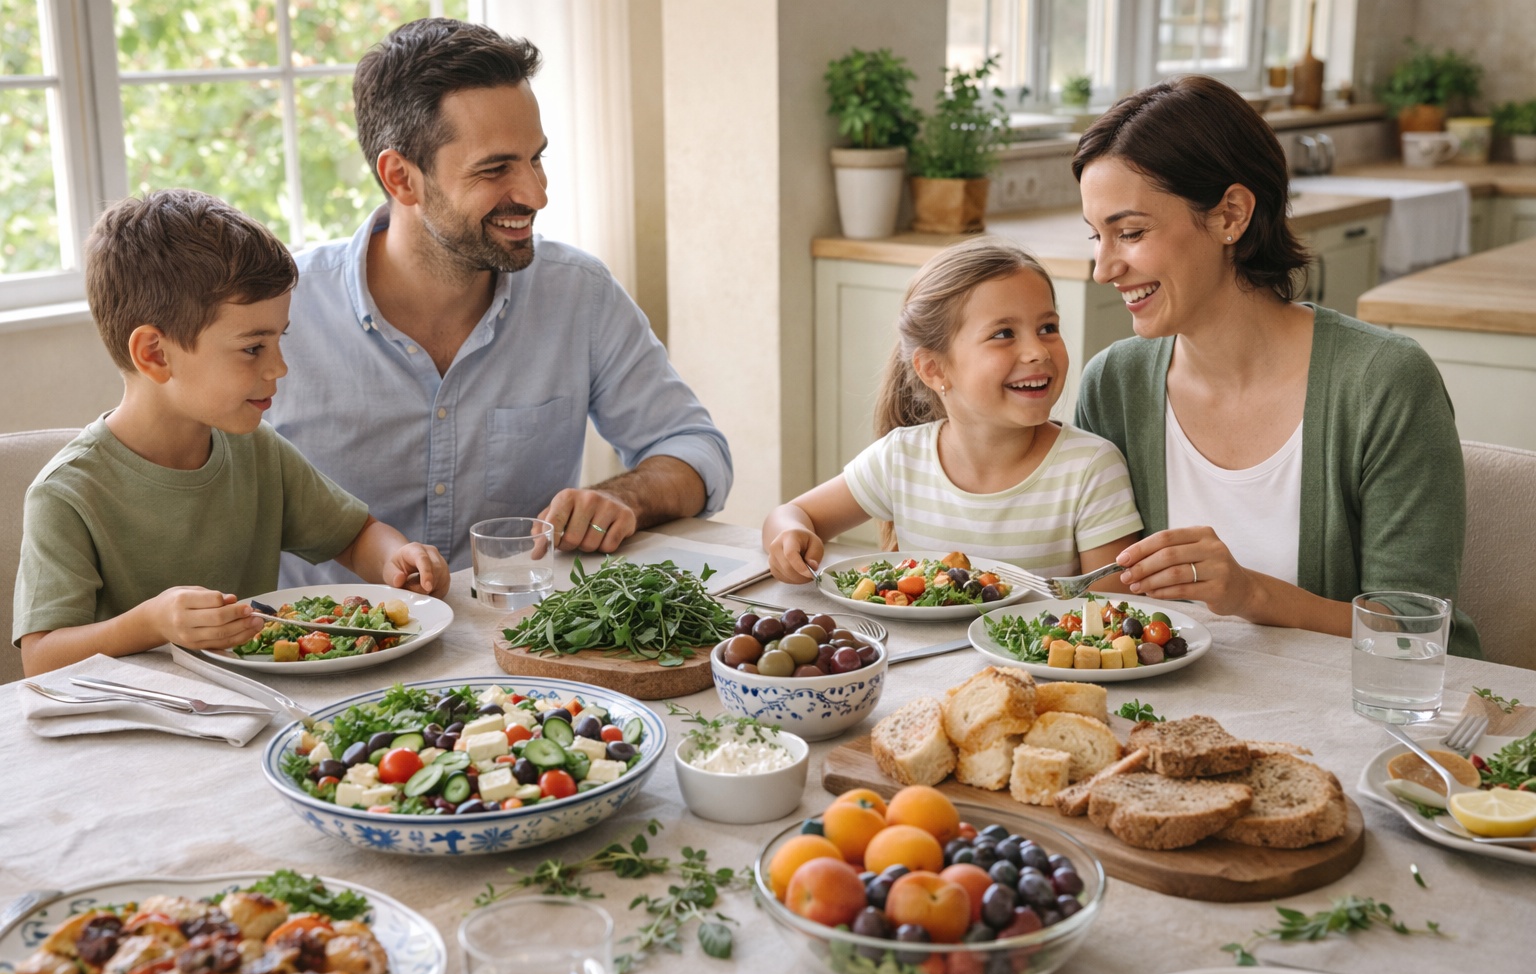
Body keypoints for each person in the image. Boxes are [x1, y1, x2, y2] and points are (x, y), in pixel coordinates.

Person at [268, 18, 731, 586]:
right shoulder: (279, 315)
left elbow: (695, 451)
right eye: (496, 169)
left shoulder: (577, 293)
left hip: (523, 648)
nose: (536, 194)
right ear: (401, 178)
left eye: (535, 158)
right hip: (329, 660)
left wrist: (623, 498)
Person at [1072, 75, 1481, 657]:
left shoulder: (1383, 383)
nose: (1103, 268)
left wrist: (1249, 594)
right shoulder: (1113, 385)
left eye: (1130, 232)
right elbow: (1103, 611)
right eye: (1096, 237)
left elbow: (1417, 634)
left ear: (1230, 215)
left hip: (1351, 723)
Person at [13, 190, 450, 676]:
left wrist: (396, 559)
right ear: (155, 354)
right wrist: (151, 623)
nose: (279, 368)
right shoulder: (67, 493)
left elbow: (352, 536)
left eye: (279, 339)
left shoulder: (256, 449)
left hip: (253, 704)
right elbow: (41, 657)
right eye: (252, 348)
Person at [762, 237, 1143, 584]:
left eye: (1047, 327)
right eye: (1003, 334)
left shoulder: (1090, 468)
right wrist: (790, 536)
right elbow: (791, 514)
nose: (1038, 351)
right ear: (934, 369)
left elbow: (1109, 611)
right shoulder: (900, 459)